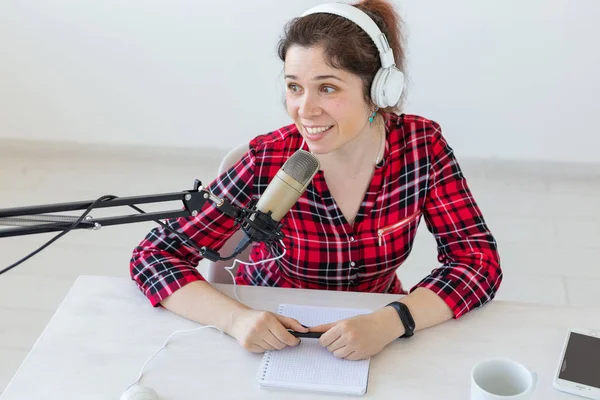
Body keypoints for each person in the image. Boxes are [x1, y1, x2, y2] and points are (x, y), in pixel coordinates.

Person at [130, 0, 502, 361]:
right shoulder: (271, 159)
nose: (304, 110)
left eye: (327, 88)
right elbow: (154, 256)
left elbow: (477, 260)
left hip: (375, 330)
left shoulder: (421, 147)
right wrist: (236, 319)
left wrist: (393, 320)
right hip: (274, 332)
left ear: (378, 91)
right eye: (294, 87)